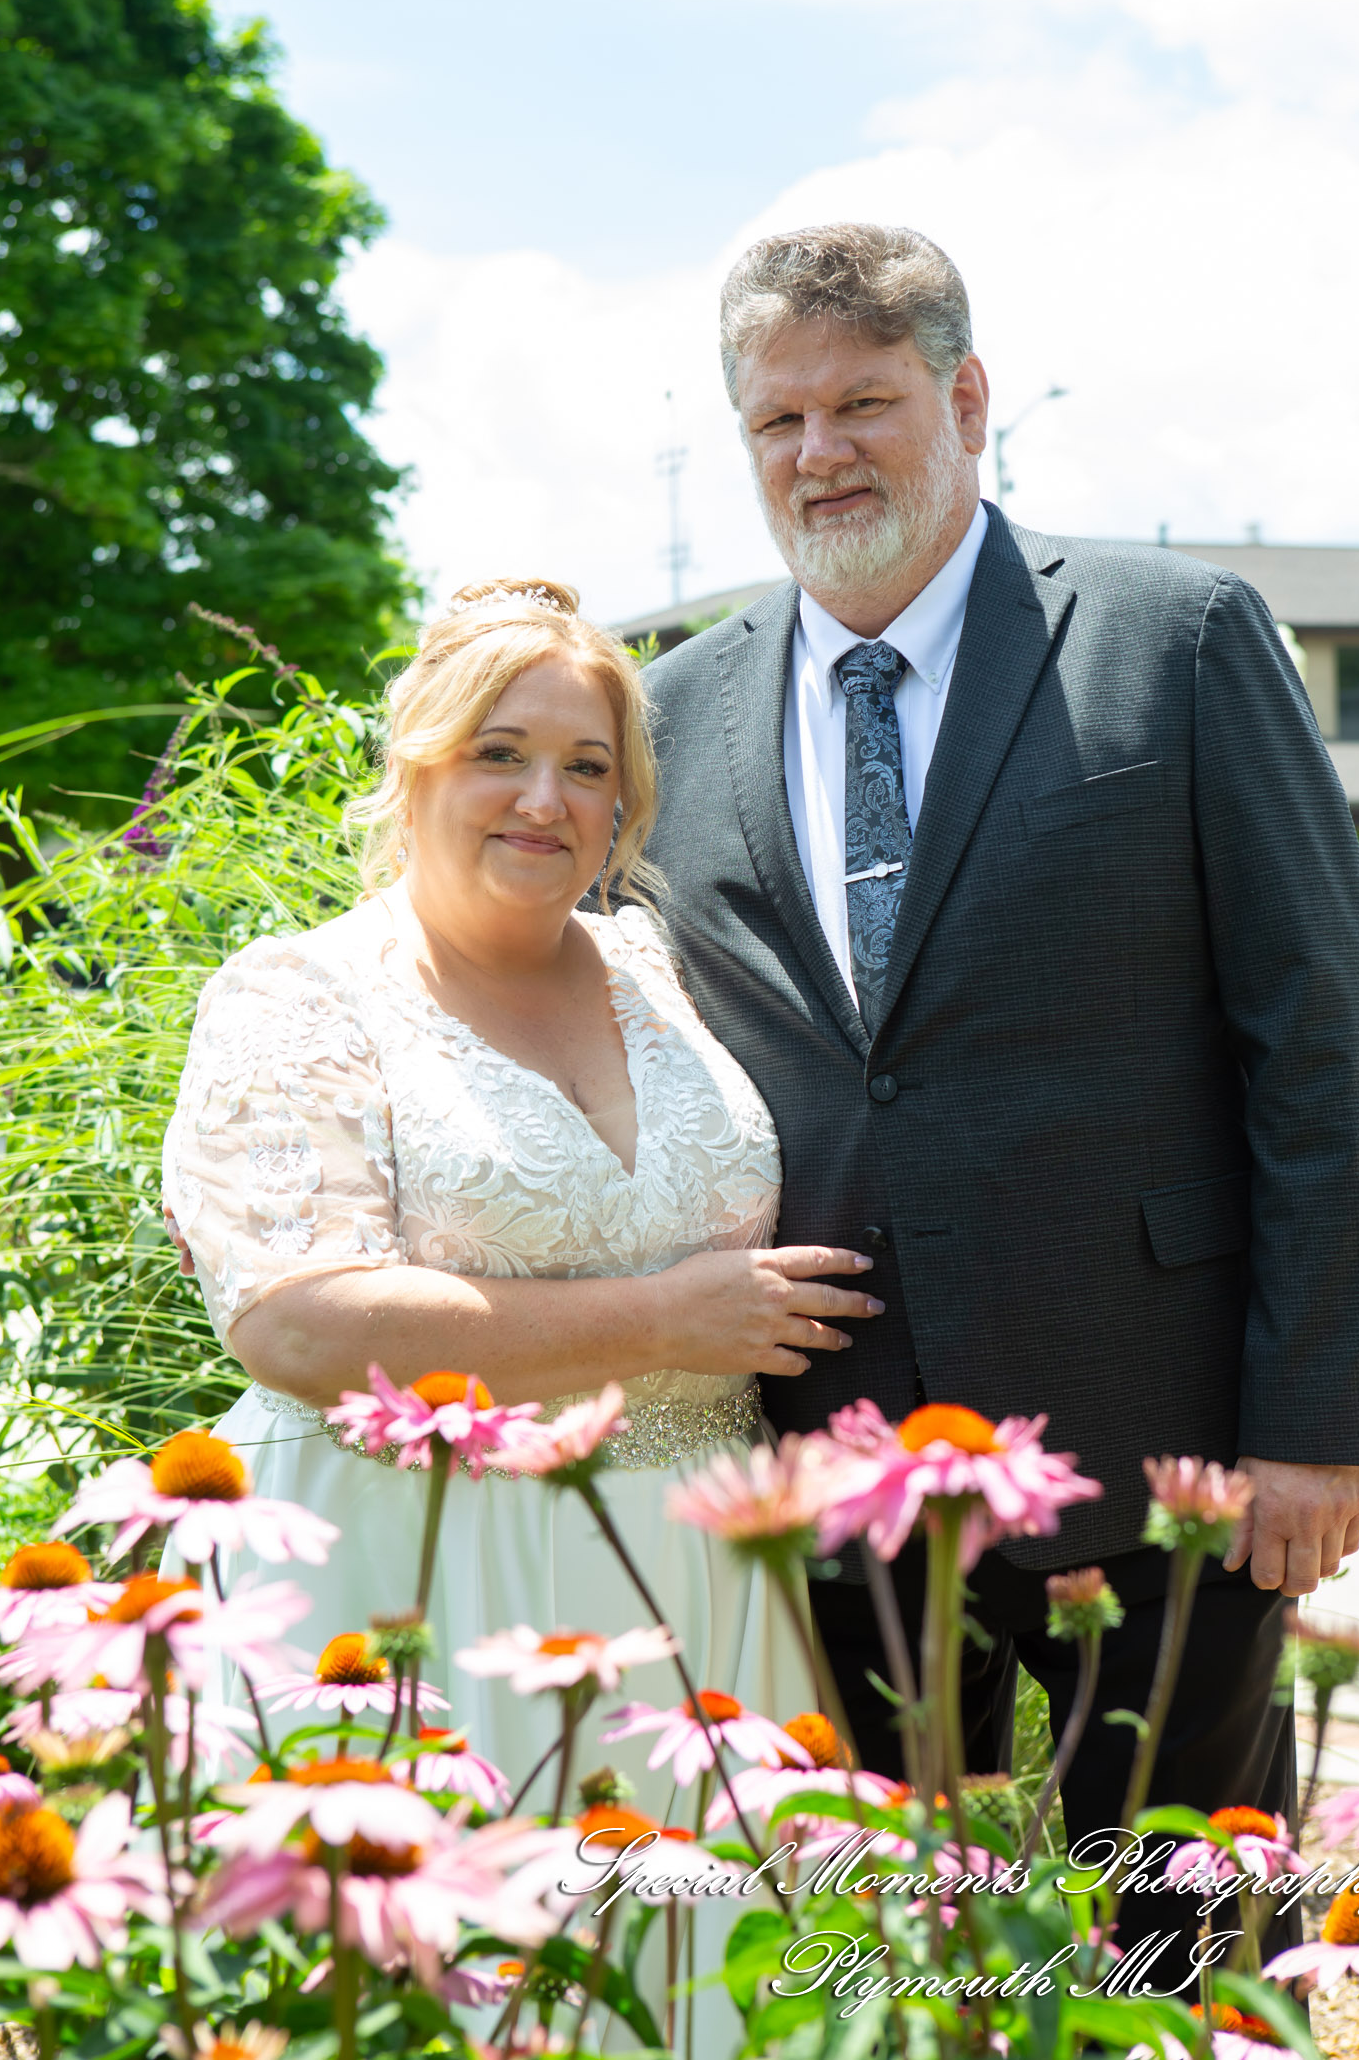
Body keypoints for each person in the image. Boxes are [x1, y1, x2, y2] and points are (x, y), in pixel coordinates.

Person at [637, 222, 1359, 1977]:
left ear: (966, 399)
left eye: (863, 402)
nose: (818, 452)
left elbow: (1316, 1044)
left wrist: (1312, 1414)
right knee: (884, 1956)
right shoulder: (673, 713)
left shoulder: (1176, 637)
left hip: (1162, 1434)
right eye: (776, 421)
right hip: (826, 1446)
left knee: (1186, 1937)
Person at [161, 579, 886, 1805]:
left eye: (586, 766)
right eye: (500, 753)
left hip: (700, 1564)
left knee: (700, 1965)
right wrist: (662, 1322)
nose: (545, 799)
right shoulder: (298, 996)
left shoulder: (665, 971)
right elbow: (294, 1320)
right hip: (426, 1566)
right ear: (417, 767)